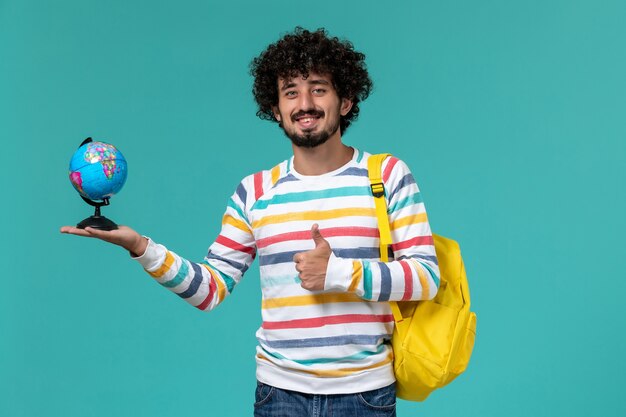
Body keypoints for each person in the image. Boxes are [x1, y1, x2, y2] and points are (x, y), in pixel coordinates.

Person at [61, 27, 440, 417]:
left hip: (365, 397)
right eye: (290, 91)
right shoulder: (254, 191)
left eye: (319, 88)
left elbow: (426, 278)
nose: (305, 103)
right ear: (276, 109)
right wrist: (140, 246)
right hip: (278, 398)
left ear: (345, 101)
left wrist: (339, 272)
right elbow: (210, 290)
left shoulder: (387, 175)